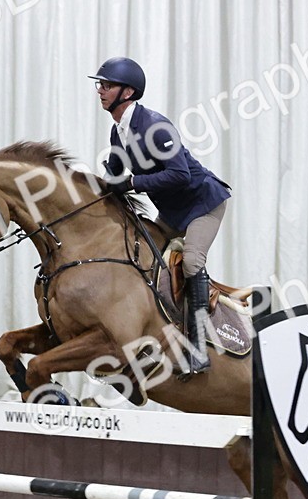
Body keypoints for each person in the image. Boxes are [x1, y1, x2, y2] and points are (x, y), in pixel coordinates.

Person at [90, 56, 231, 377]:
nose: (100, 90)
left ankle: (198, 347)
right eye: (100, 85)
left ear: (127, 92)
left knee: (193, 262)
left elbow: (179, 174)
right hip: (172, 210)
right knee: (142, 253)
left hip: (203, 204)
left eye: (106, 85)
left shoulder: (155, 126)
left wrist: (133, 183)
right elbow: (113, 174)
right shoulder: (119, 132)